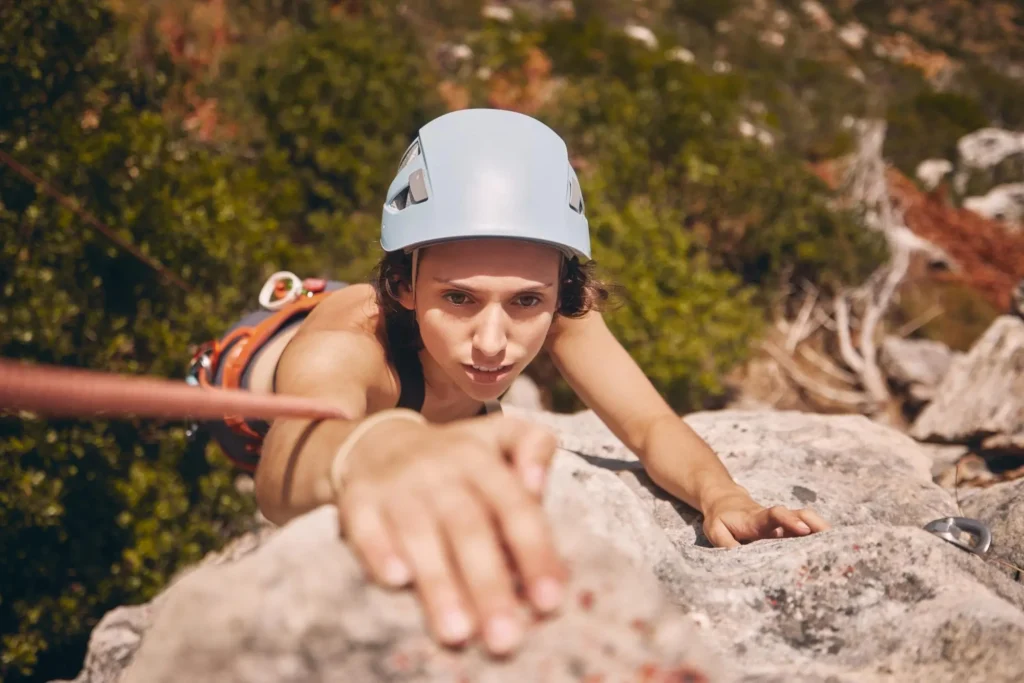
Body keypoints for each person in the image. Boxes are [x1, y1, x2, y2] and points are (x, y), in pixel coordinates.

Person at [190, 108, 830, 657]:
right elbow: (283, 475)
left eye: (527, 302)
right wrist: (376, 447)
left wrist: (723, 496)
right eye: (460, 298)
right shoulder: (352, 347)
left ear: (560, 292)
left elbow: (650, 425)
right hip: (243, 386)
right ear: (403, 285)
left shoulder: (550, 308)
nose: (494, 343)